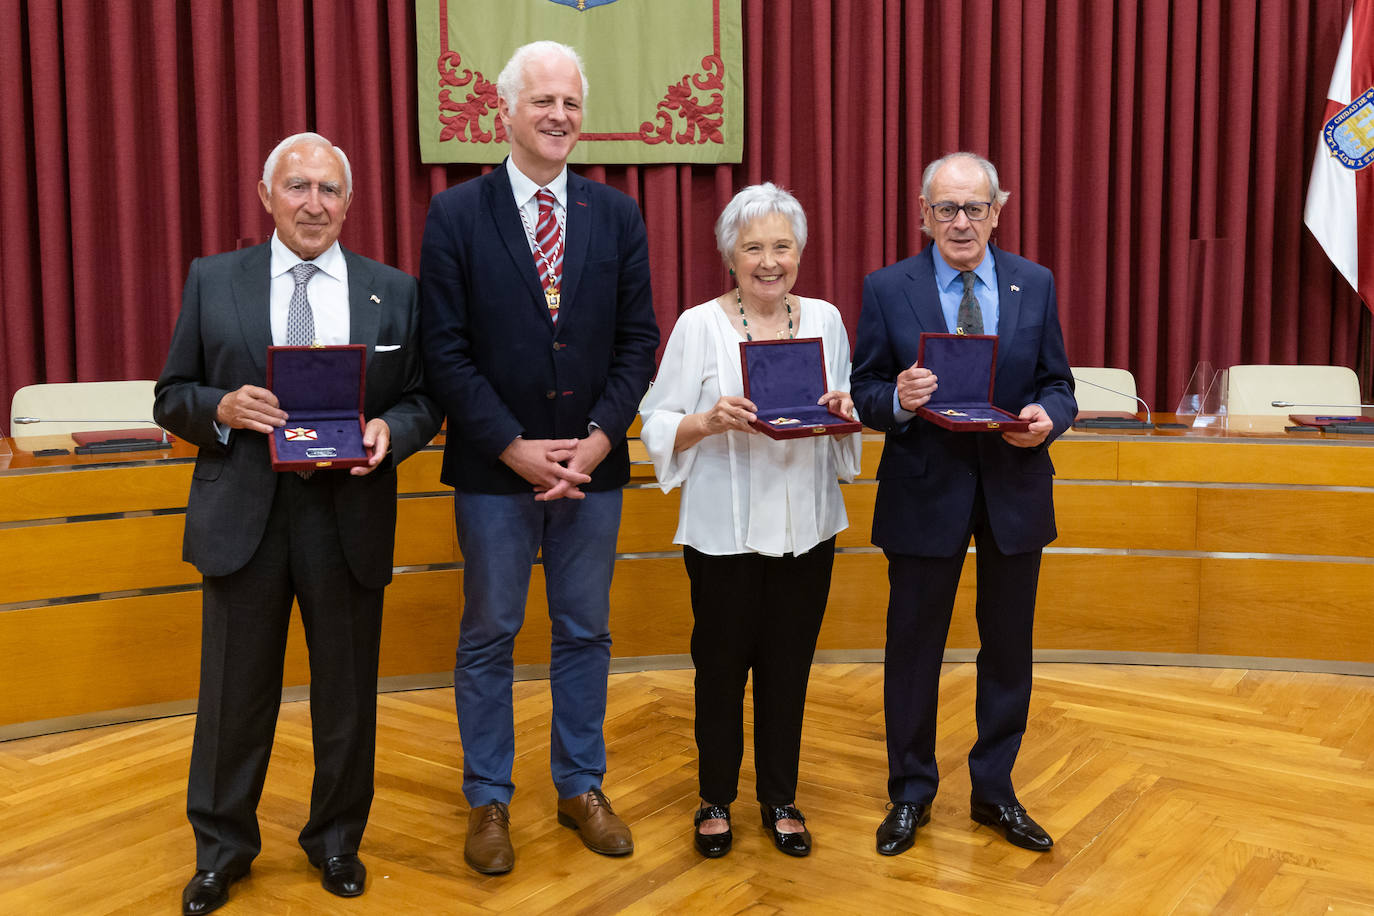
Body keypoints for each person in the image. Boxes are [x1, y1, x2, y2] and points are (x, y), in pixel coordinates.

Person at [154, 132, 442, 915]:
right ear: (265, 195)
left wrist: (394, 431)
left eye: (329, 190)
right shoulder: (214, 281)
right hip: (244, 513)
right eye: (298, 187)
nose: (314, 204)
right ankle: (221, 852)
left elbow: (421, 398)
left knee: (346, 694)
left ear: (349, 203)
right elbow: (170, 392)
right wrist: (219, 406)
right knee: (232, 697)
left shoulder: (395, 291)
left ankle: (337, 840)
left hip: (347, 513)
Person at [418, 41, 659, 875]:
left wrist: (597, 439)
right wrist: (513, 448)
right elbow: (442, 352)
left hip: (592, 470)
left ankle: (579, 785)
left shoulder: (616, 214)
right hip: (494, 471)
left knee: (585, 631)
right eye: (542, 102)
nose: (559, 116)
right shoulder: (454, 214)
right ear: (505, 112)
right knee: (490, 633)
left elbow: (638, 343)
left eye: (570, 103)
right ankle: (489, 799)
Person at [850, 152, 1076, 856]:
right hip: (924, 493)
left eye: (974, 207)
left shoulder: (1033, 283)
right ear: (923, 215)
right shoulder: (888, 289)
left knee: (1008, 651)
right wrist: (897, 400)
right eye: (945, 208)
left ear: (997, 213)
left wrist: (1048, 417)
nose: (960, 222)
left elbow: (1059, 384)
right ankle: (910, 794)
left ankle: (994, 792)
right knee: (913, 651)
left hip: (1014, 490)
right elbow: (864, 392)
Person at [639, 183, 862, 859]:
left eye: (782, 246)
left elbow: (844, 422)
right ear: (730, 257)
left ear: (800, 252)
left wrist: (844, 414)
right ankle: (714, 797)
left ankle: (780, 797)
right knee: (721, 669)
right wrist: (705, 421)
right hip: (723, 535)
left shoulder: (824, 319)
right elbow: (656, 418)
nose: (770, 261)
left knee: (788, 669)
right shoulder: (698, 325)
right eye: (753, 247)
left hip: (809, 530)